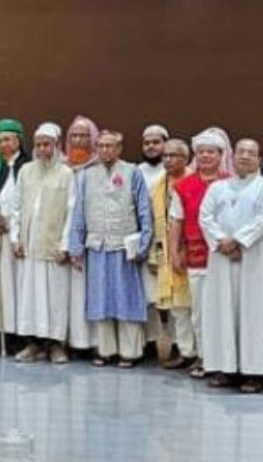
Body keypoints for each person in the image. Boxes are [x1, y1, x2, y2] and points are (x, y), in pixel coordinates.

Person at [199, 139, 263, 392]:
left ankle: (255, 372)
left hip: (254, 257)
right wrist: (222, 242)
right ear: (232, 157)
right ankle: (225, 368)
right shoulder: (217, 187)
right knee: (221, 310)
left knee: (254, 312)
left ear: (259, 159)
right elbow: (205, 216)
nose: (245, 157)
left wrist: (238, 241)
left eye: (251, 153)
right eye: (241, 152)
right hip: (221, 259)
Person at [68, 130, 153, 367]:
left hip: (124, 246)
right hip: (96, 245)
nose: (105, 150)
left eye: (110, 146)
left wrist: (144, 244)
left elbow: (144, 211)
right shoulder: (85, 175)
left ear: (119, 148)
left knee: (127, 298)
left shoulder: (132, 172)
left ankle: (130, 351)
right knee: (100, 299)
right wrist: (75, 246)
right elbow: (78, 213)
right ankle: (105, 350)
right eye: (101, 146)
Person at [9, 122, 74, 363]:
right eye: (38, 145)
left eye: (47, 144)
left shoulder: (66, 174)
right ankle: (33, 344)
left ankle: (56, 345)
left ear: (56, 146)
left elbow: (71, 211)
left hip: (53, 248)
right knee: (30, 298)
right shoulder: (26, 171)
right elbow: (16, 207)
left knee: (55, 299)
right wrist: (15, 239)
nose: (42, 149)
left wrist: (65, 246)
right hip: (29, 247)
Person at [170, 127, 232, 377]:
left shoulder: (231, 183)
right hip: (196, 256)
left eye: (212, 152)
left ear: (220, 154)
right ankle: (204, 357)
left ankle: (225, 360)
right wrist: (175, 251)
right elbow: (176, 220)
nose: (206, 156)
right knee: (200, 311)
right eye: (202, 152)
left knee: (224, 310)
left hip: (226, 255)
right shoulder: (183, 186)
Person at [0, 118, 31, 353]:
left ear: (18, 140)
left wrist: (15, 224)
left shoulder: (28, 164)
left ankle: (17, 334)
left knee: (18, 284)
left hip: (20, 235)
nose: (2, 144)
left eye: (7, 139)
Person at [152, 138, 194, 368]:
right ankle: (185, 351)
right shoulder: (159, 184)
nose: (167, 160)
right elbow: (155, 223)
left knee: (192, 305)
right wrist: (156, 256)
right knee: (177, 307)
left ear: (185, 159)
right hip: (166, 251)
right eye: (165, 156)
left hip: (190, 251)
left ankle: (198, 352)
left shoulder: (192, 182)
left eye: (173, 156)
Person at [64, 115, 99, 355]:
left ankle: (94, 342)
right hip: (67, 240)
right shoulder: (62, 167)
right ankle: (73, 341)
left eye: (84, 136)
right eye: (74, 136)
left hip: (94, 240)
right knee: (71, 294)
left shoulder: (99, 168)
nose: (78, 140)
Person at [137, 124, 170, 359]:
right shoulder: (136, 172)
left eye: (155, 142)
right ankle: (148, 342)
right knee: (147, 295)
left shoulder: (174, 171)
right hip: (143, 240)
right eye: (147, 143)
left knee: (171, 297)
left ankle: (177, 345)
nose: (151, 147)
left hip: (169, 239)